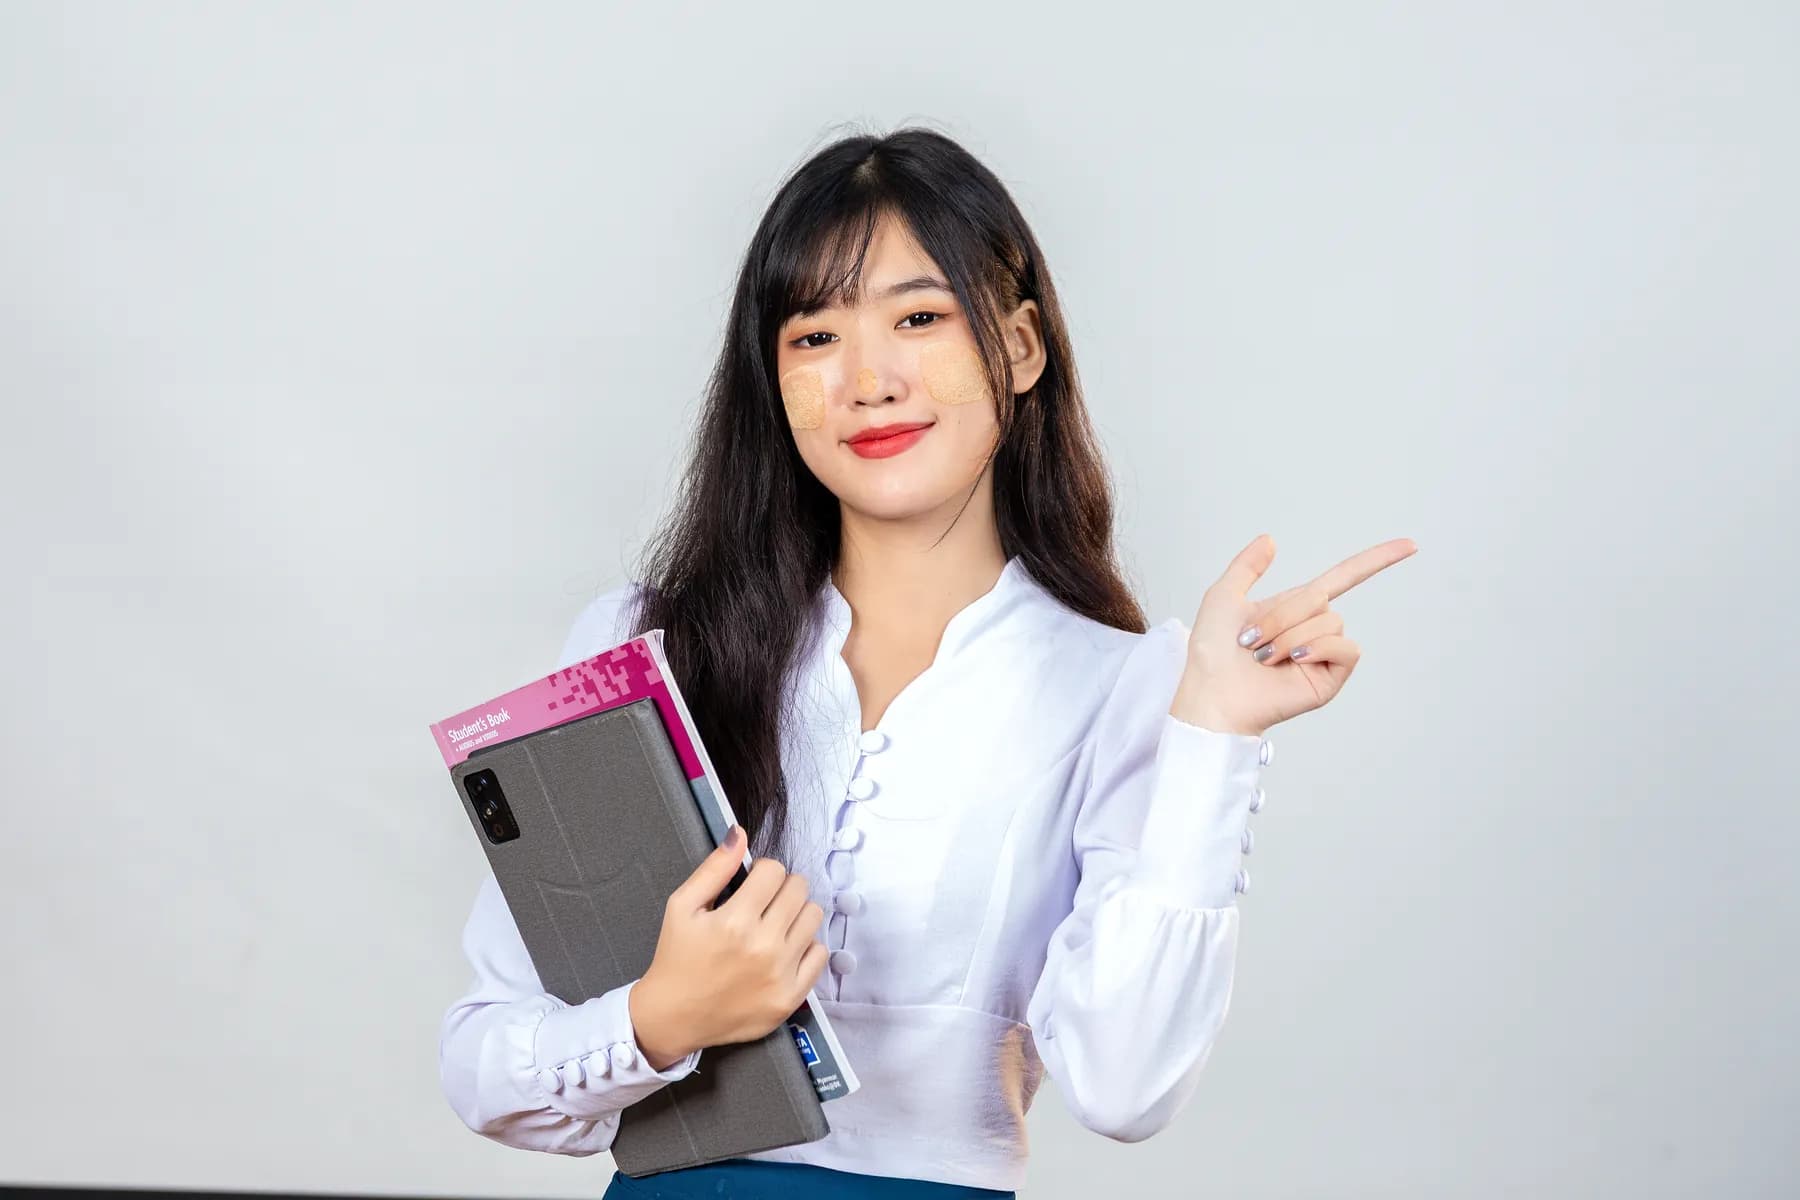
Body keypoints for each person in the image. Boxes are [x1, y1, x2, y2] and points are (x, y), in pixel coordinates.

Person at [437, 126, 1415, 1198]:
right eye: (814, 337)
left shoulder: (1126, 686)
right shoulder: (645, 647)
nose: (868, 379)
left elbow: (1127, 1089)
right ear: (772, 377)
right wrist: (664, 1016)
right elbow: (484, 1064)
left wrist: (1214, 740)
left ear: (1024, 347)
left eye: (919, 317)